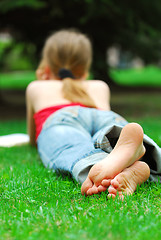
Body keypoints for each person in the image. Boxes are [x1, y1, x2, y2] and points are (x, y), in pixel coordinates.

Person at [26, 29, 161, 200]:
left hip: (60, 118)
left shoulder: (36, 87)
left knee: (72, 147)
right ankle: (139, 156)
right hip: (102, 115)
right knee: (111, 133)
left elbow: (33, 137)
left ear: (46, 68)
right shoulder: (99, 85)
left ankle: (99, 166)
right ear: (84, 71)